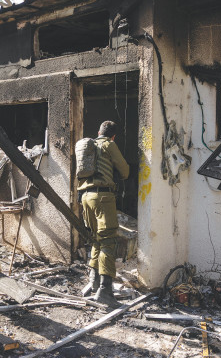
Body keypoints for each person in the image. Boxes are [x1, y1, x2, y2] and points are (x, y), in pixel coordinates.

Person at [78, 120, 129, 307]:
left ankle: (94, 284)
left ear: (98, 131)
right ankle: (106, 292)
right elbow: (125, 170)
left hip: (85, 197)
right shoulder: (109, 144)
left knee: (95, 240)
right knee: (108, 241)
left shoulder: (89, 145)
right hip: (103, 198)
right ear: (113, 135)